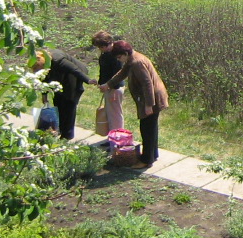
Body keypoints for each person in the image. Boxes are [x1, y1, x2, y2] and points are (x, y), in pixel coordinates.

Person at [101, 41, 169, 169]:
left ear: (125, 53)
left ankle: (146, 160)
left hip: (152, 98)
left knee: (147, 129)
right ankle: (152, 155)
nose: (119, 60)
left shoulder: (137, 63)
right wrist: (108, 85)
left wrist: (149, 105)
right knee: (151, 127)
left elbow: (147, 84)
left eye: (119, 57)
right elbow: (122, 73)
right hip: (151, 98)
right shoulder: (131, 59)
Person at [34, 48, 97, 140]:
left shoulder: (57, 60)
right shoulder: (42, 64)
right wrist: (44, 95)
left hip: (73, 76)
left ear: (44, 64)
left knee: (69, 103)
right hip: (60, 77)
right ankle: (59, 128)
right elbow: (43, 79)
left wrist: (88, 80)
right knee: (58, 101)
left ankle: (67, 135)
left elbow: (74, 69)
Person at [92, 30, 125, 133]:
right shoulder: (106, 54)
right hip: (108, 87)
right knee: (110, 114)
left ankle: (117, 138)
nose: (100, 49)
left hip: (114, 88)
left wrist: (109, 86)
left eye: (100, 47)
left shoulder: (115, 55)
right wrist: (101, 84)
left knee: (115, 115)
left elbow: (117, 74)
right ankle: (112, 136)